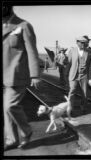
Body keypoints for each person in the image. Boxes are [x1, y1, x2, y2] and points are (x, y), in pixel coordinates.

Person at [3, 5, 41, 151]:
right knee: (5, 110)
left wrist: (35, 74)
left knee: (10, 106)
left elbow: (32, 51)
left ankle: (26, 131)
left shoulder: (24, 26)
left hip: (16, 75)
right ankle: (11, 139)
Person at [66, 36, 91, 118]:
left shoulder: (88, 51)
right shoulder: (72, 51)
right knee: (72, 91)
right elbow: (69, 63)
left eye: (84, 43)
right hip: (74, 74)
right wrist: (66, 73)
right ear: (77, 42)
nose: (83, 44)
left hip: (84, 75)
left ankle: (84, 108)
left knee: (84, 93)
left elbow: (90, 64)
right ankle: (70, 109)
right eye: (81, 42)